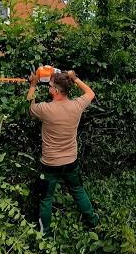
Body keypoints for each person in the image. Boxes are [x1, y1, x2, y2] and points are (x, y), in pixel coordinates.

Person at [26, 69, 99, 236]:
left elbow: (28, 106)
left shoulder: (45, 109)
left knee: (46, 199)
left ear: (56, 91)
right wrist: (75, 78)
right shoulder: (77, 105)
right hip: (71, 161)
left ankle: (46, 234)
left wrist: (33, 84)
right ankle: (92, 221)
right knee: (78, 191)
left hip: (50, 164)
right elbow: (90, 92)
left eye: (50, 86)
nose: (49, 88)